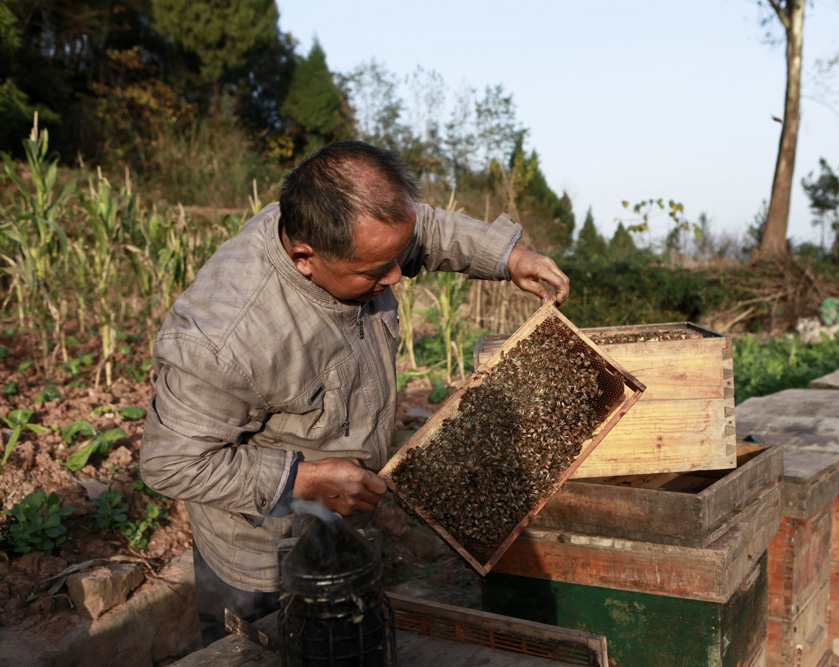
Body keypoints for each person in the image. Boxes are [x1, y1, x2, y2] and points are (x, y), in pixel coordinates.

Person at [139, 140, 569, 646]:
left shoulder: (350, 231)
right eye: (374, 271)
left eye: (398, 258)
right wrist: (303, 479)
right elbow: (169, 461)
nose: (396, 277)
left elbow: (422, 227)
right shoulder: (226, 338)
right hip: (261, 560)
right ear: (305, 256)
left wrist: (508, 256)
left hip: (343, 527)